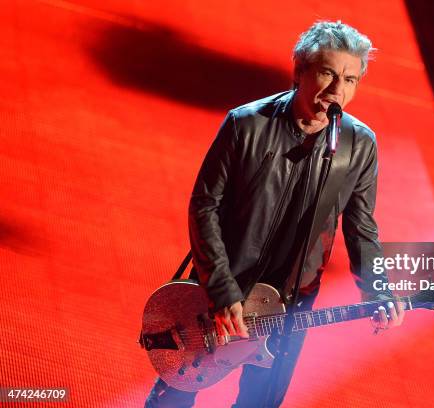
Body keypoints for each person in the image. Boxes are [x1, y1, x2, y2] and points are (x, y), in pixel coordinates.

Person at [145, 20, 405, 408]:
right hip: (223, 287)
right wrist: (221, 289)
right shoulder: (246, 123)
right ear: (299, 70)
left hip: (291, 300)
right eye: (328, 73)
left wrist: (378, 289)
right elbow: (205, 206)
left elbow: (361, 226)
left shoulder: (358, 145)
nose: (338, 91)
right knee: (176, 394)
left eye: (350, 79)